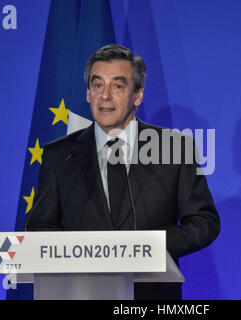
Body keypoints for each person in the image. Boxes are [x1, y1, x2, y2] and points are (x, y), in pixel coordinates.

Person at [25, 44, 220, 300]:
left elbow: (204, 222)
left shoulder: (174, 147)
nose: (105, 96)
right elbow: (39, 227)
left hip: (151, 297)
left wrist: (150, 248)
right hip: (81, 293)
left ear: (137, 95)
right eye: (97, 85)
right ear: (88, 93)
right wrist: (82, 252)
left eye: (117, 86)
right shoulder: (60, 155)